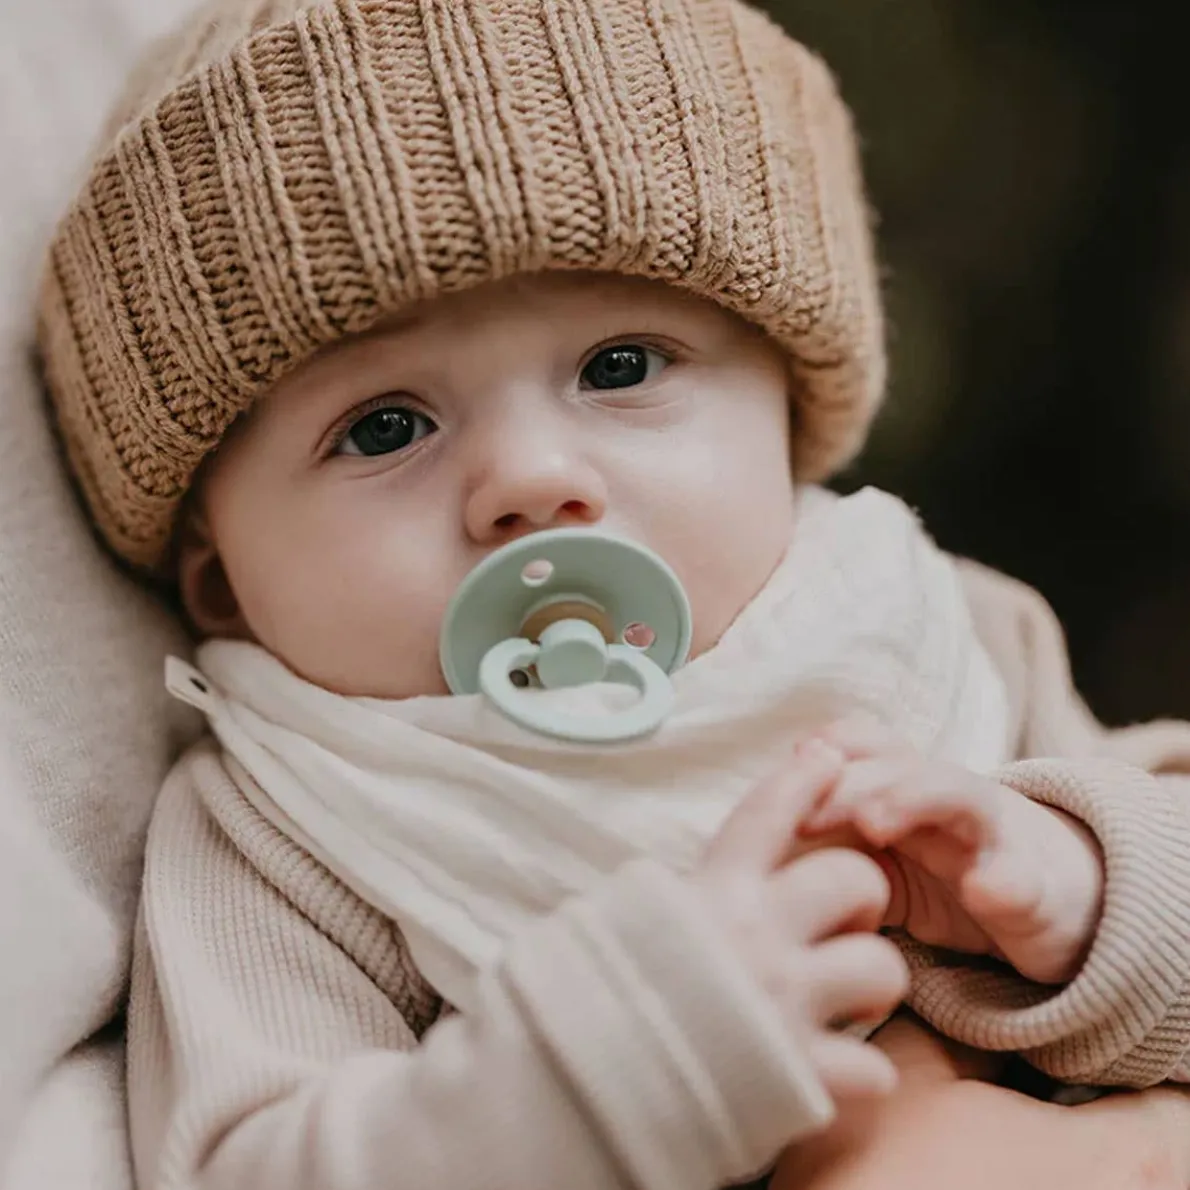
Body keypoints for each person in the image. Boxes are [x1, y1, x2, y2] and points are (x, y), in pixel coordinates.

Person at [34, 0, 1190, 1186]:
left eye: (619, 365)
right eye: (383, 426)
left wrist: (1088, 892)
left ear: (788, 414)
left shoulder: (935, 631)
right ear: (222, 580)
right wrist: (615, 1062)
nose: (530, 479)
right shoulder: (290, 826)